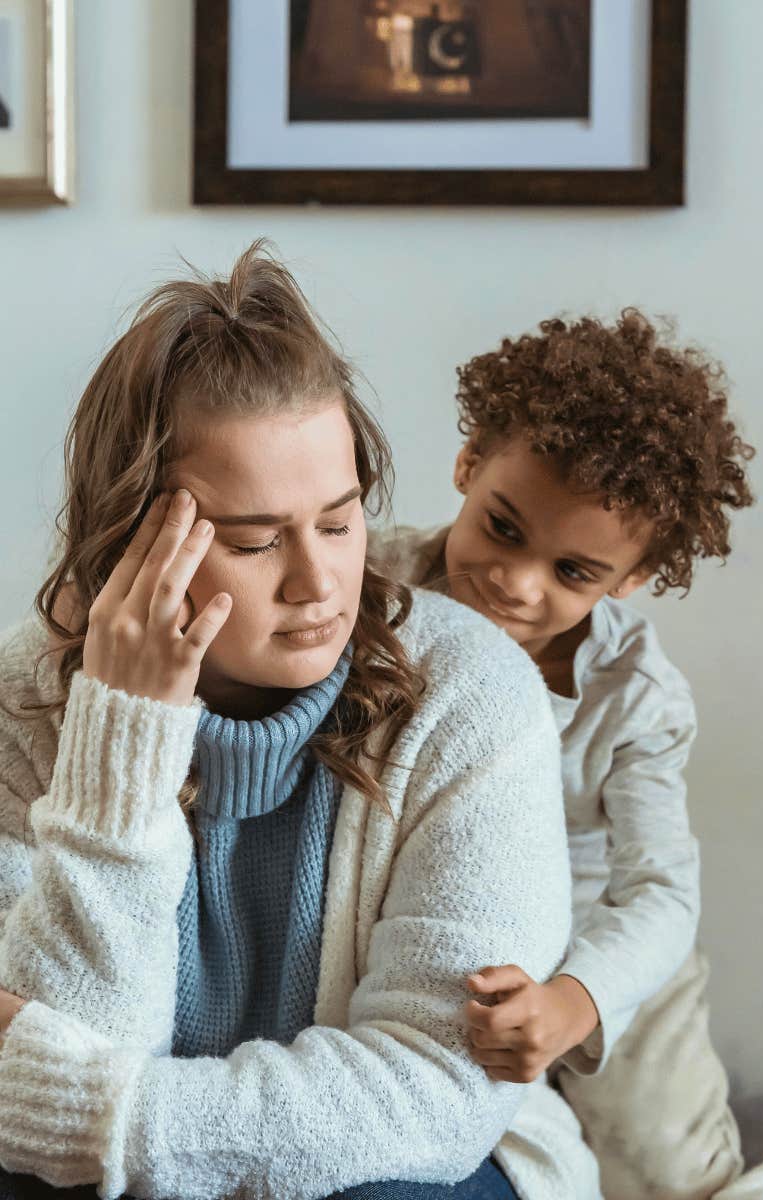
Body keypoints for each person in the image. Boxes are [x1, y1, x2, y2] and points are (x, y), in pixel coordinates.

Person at [0, 244, 601, 1200]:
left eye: (339, 518)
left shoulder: (471, 694)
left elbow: (436, 1089)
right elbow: (54, 1065)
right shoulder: (26, 702)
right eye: (253, 540)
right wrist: (124, 733)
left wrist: (101, 1117)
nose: (320, 585)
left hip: (411, 1171)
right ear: (127, 541)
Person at [372, 311, 755, 1199]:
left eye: (572, 573)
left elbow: (660, 891)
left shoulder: (636, 696)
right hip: (440, 934)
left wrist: (576, 999)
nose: (517, 582)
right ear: (468, 466)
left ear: (630, 579)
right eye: (502, 529)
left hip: (597, 947)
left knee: (666, 1172)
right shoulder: (369, 590)